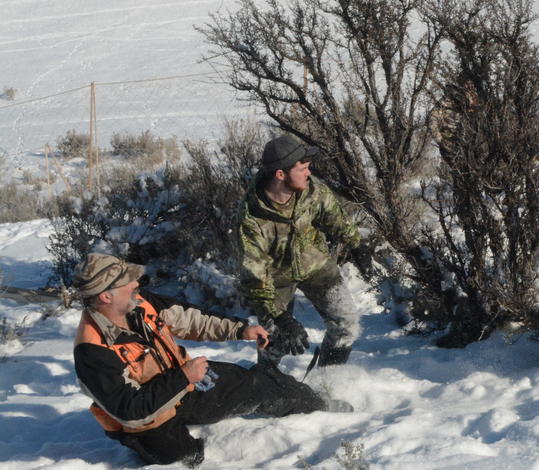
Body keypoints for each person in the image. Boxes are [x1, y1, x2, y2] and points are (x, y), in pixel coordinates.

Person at [72, 253, 331, 467]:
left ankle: (322, 407)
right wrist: (183, 377)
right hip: (150, 419)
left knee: (259, 384)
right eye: (127, 281)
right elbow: (130, 410)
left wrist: (239, 330)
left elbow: (190, 319)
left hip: (186, 383)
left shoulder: (140, 302)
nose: (136, 284)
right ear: (106, 296)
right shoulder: (91, 350)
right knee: (180, 458)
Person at [237, 134, 362, 369]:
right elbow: (255, 277)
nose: (309, 173)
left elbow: (335, 217)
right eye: (302, 168)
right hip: (275, 281)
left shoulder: (312, 190)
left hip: (316, 266)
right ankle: (267, 392)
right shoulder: (251, 219)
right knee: (275, 340)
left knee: (346, 325)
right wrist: (280, 317)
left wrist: (357, 244)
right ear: (280, 174)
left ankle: (329, 383)